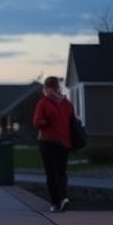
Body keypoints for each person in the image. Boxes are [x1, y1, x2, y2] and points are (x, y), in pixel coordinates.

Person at [32, 76, 74, 212]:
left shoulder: (43, 103)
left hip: (48, 142)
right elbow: (72, 121)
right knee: (61, 172)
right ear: (58, 87)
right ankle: (63, 198)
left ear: (46, 88)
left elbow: (37, 122)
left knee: (51, 173)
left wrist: (47, 123)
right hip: (63, 142)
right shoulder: (66, 103)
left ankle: (56, 202)